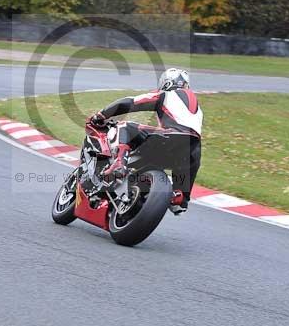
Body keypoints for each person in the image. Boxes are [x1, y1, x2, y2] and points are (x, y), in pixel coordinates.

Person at [87, 68, 203, 215]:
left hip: (169, 138)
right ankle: (180, 196)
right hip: (192, 153)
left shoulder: (165, 94)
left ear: (166, 83)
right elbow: (189, 133)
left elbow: (130, 103)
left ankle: (118, 163)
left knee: (125, 126)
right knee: (179, 197)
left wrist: (101, 115)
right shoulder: (198, 110)